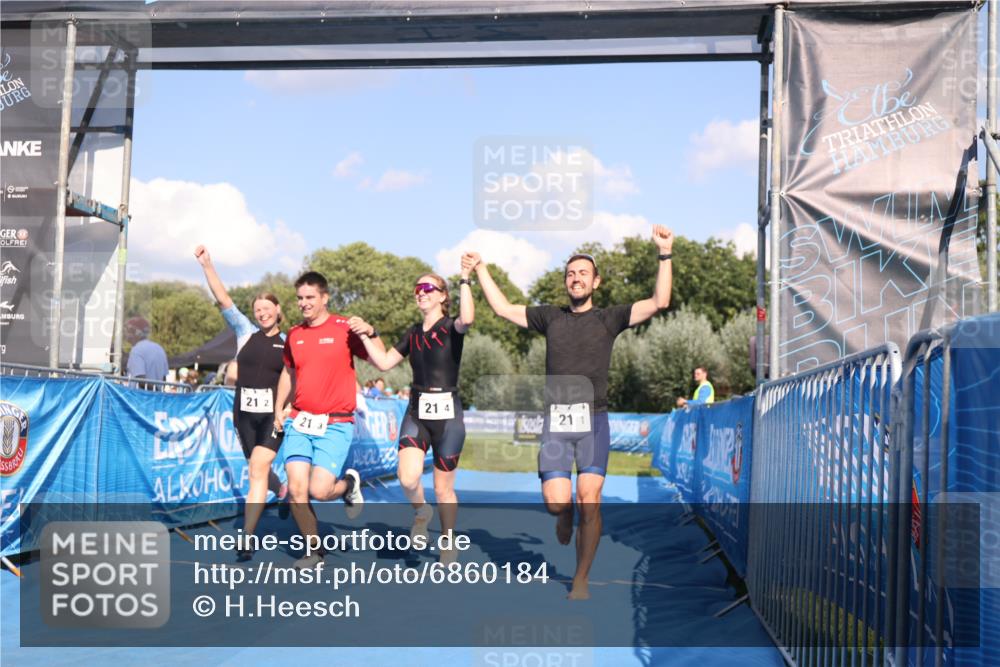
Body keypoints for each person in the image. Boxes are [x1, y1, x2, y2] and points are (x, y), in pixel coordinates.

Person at [470, 225, 674, 599]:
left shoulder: (609, 319)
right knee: (556, 502)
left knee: (589, 497)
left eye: (582, 273)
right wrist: (482, 268)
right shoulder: (550, 317)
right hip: (556, 423)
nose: (575, 278)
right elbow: (501, 308)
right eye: (570, 273)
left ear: (596, 282)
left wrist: (664, 253)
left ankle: (580, 578)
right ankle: (563, 515)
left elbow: (659, 301)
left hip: (593, 421)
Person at [348, 263, 475, 563]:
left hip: (448, 418)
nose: (421, 293)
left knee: (444, 490)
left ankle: (447, 538)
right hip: (417, 412)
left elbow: (467, 318)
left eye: (428, 288)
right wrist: (368, 334)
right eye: (417, 289)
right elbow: (383, 363)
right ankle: (421, 513)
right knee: (407, 479)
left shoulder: (451, 327)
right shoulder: (413, 333)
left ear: (443, 296)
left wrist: (466, 279)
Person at [274, 271, 384, 569]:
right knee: (297, 489)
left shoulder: (344, 328)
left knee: (320, 491)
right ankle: (314, 552)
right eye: (300, 298)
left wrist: (370, 332)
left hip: (336, 423)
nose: (304, 303)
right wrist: (278, 408)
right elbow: (288, 372)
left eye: (310, 298)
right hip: (299, 420)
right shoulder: (295, 335)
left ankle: (348, 485)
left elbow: (380, 360)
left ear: (325, 298)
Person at [195, 245, 288, 561]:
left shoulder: (289, 343)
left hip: (271, 418)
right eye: (257, 308)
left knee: (258, 469)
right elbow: (223, 299)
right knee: (257, 468)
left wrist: (286, 410)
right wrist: (208, 265)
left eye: (267, 308)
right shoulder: (244, 331)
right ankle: (283, 490)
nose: (262, 312)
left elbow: (298, 377)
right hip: (244, 415)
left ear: (278, 310)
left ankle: (247, 537)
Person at [125, 317, 168, 383]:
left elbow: (141, 380)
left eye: (129, 331)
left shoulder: (137, 350)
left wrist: (153, 391)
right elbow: (163, 378)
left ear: (137, 333)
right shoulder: (159, 348)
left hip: (139, 393)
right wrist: (157, 392)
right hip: (157, 393)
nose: (127, 335)